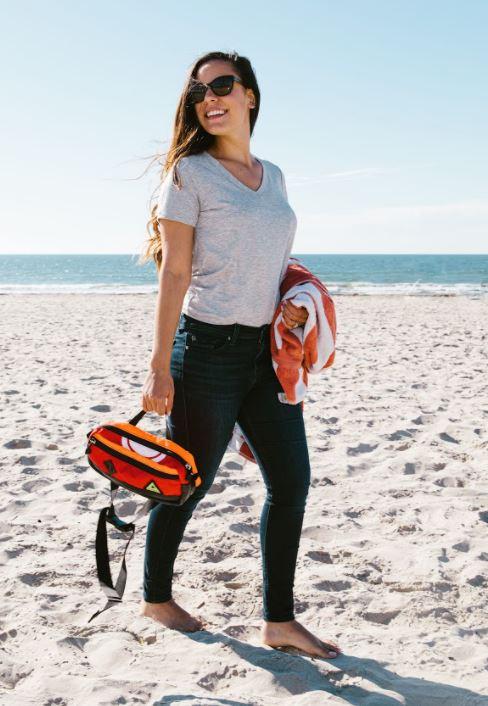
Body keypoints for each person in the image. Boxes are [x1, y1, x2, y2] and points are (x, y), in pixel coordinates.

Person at [138, 50, 341, 660]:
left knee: (292, 481)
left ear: (250, 95)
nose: (211, 97)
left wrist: (296, 303)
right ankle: (155, 596)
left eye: (223, 84)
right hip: (205, 349)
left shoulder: (273, 176)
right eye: (200, 91)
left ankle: (278, 621)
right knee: (187, 483)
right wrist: (156, 364)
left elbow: (275, 264)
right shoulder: (189, 175)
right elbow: (174, 272)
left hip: (264, 350)